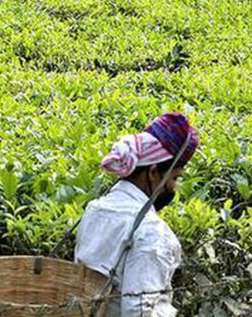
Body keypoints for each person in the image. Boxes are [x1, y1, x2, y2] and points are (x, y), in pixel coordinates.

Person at [75, 113, 199, 317]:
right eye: (174, 177)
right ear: (152, 173)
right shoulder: (151, 232)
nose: (174, 187)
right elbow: (140, 311)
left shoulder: (94, 209)